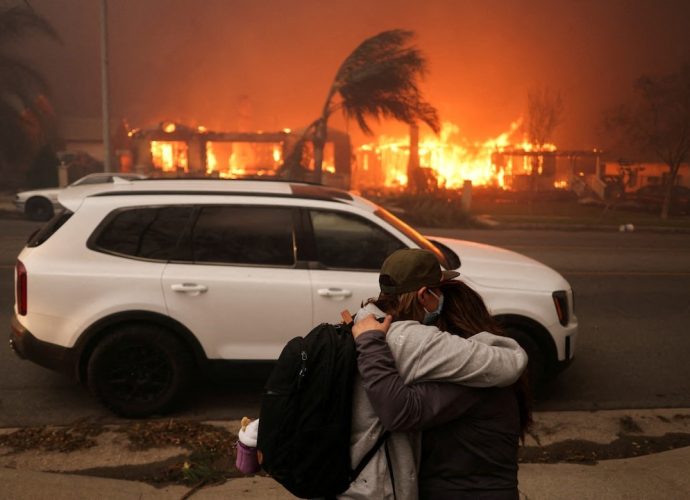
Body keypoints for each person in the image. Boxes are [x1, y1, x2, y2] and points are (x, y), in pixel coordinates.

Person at [340, 248, 527, 500]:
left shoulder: (361, 324)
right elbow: (511, 362)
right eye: (438, 290)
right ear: (424, 295)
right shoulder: (426, 346)